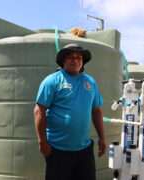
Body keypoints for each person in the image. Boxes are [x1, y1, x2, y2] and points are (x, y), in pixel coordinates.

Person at [34, 43, 106, 180]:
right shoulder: (52, 81)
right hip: (57, 150)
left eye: (78, 57)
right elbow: (39, 111)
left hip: (84, 150)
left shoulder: (90, 82)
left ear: (83, 62)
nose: (75, 60)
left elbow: (96, 110)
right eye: (70, 57)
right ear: (63, 61)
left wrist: (102, 138)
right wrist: (42, 142)